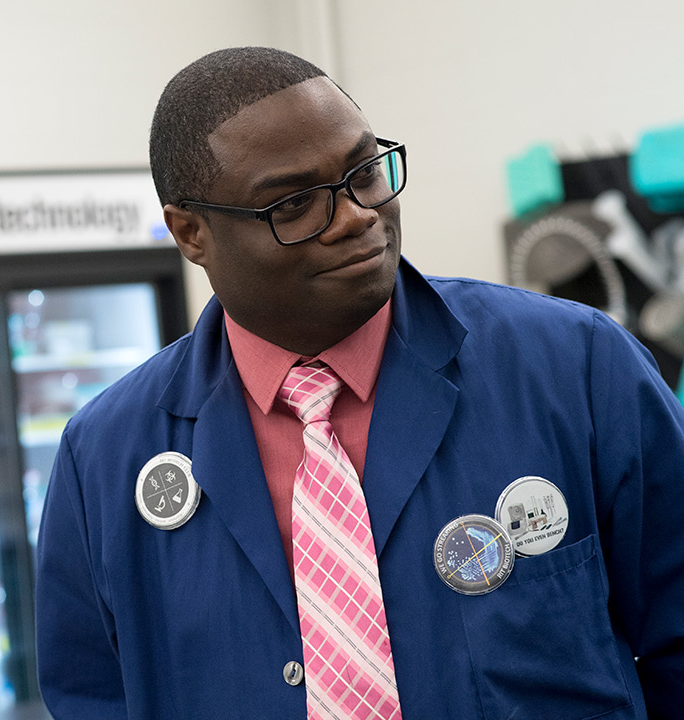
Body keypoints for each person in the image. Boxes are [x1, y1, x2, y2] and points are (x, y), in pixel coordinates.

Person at [34, 46, 684, 719]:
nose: (355, 216)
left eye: (364, 172)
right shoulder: (106, 458)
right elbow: (91, 698)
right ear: (190, 232)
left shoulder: (573, 368)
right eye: (292, 204)